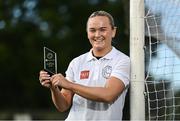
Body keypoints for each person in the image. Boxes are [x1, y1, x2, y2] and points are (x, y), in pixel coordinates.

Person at [39, 10, 130, 121]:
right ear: (87, 33)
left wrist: (69, 85)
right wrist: (53, 87)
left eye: (103, 29)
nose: (97, 35)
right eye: (92, 30)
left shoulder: (123, 61)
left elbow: (108, 95)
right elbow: (63, 106)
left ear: (113, 31)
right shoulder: (76, 62)